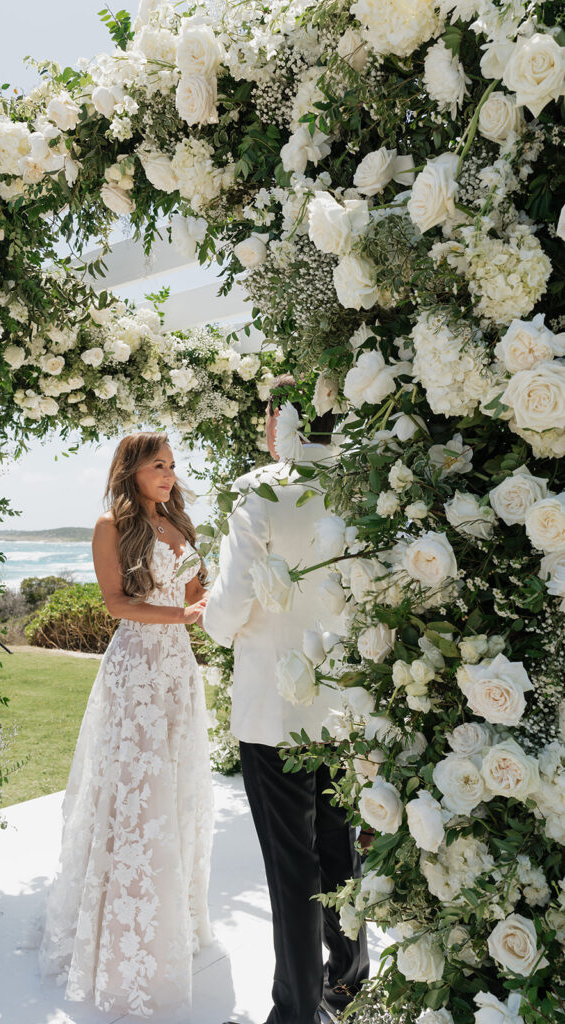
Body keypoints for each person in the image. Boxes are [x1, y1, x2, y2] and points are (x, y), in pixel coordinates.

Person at [203, 377, 370, 1024]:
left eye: (268, 414)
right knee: (336, 850)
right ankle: (348, 978)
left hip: (274, 709)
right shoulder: (360, 489)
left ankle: (296, 1012)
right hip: (340, 702)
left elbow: (234, 598)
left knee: (291, 865)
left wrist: (214, 624)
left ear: (286, 420)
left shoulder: (261, 491)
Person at [38, 431, 213, 1018]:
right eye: (155, 465)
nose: (167, 474)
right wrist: (179, 612)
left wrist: (205, 593)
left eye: (170, 465)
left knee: (175, 787)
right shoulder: (109, 526)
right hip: (135, 667)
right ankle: (117, 924)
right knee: (133, 792)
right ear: (131, 470)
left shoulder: (178, 525)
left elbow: (190, 591)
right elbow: (115, 603)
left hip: (177, 670)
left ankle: (170, 915)